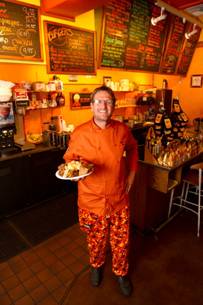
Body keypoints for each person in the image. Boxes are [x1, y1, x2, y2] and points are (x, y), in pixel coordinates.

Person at [63, 85, 138, 296]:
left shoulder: (123, 130)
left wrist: (132, 174)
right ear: (91, 106)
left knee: (121, 242)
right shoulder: (79, 133)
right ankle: (96, 266)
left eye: (108, 101)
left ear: (113, 106)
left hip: (119, 199)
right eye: (98, 101)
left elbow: (133, 149)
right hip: (90, 200)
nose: (103, 106)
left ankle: (121, 272)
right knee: (95, 240)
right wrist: (73, 173)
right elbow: (69, 160)